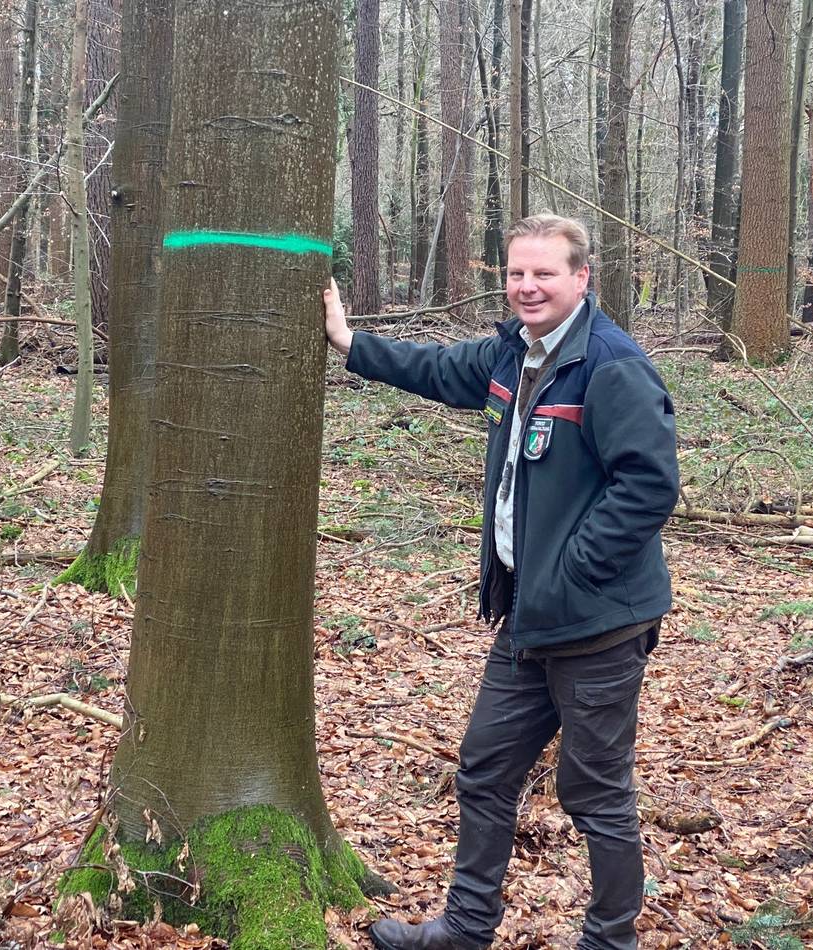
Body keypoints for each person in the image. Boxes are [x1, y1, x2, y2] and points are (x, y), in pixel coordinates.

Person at [324, 214, 679, 950]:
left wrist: (575, 567)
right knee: (485, 771)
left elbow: (648, 486)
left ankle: (611, 940)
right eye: (517, 273)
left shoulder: (611, 366)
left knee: (595, 794)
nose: (527, 287)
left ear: (582, 278)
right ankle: (466, 927)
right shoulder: (512, 356)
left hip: (598, 626)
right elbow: (436, 369)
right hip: (527, 618)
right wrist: (351, 344)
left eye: (544, 273)